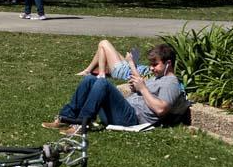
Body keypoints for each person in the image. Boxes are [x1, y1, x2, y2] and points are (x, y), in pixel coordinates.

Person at [43, 44, 189, 134]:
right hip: (122, 112)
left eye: (155, 64)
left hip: (132, 119)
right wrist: (137, 86)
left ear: (168, 63)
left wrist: (143, 89)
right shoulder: (157, 78)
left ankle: (82, 124)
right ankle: (65, 118)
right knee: (89, 79)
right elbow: (144, 92)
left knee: (103, 83)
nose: (151, 68)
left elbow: (161, 110)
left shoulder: (171, 83)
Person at [76, 40, 152, 80]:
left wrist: (131, 62)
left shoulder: (153, 76)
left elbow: (138, 78)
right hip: (129, 68)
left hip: (122, 71)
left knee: (103, 43)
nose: (152, 67)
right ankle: (88, 71)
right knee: (105, 48)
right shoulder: (155, 72)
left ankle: (101, 74)